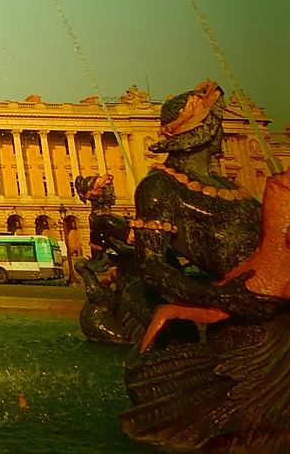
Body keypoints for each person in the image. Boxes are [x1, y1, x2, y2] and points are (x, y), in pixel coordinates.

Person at [121, 80, 288, 450]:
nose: (226, 130)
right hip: (242, 315)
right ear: (209, 129)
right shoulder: (159, 187)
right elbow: (150, 267)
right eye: (219, 120)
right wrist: (223, 298)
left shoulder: (231, 186)